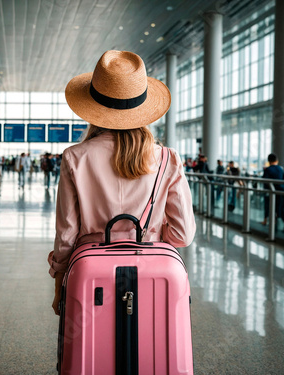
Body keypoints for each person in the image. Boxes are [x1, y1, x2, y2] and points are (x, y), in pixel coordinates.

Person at [47, 50, 196, 315]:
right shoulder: (166, 158)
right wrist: (151, 234)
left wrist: (59, 280)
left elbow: (67, 234)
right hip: (152, 275)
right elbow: (183, 234)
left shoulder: (75, 157)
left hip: (91, 276)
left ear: (93, 108)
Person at [261, 153, 284, 233]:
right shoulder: (281, 169)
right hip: (281, 192)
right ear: (277, 160)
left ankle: (268, 222)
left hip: (271, 192)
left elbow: (264, 181)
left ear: (269, 161)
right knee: (281, 208)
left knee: (270, 207)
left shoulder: (268, 169)